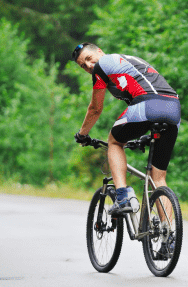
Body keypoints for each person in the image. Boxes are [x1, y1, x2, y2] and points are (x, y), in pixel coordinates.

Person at [71, 43, 182, 215]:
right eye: (83, 66)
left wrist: (82, 134)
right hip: (173, 108)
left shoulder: (103, 64)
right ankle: (169, 235)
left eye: (88, 59)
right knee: (158, 179)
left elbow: (95, 108)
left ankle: (122, 197)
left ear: (99, 51)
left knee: (114, 142)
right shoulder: (131, 61)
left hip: (148, 104)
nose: (89, 66)